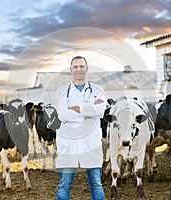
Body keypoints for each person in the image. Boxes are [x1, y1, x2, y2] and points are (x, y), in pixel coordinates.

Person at [55, 56, 107, 200]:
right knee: (64, 185)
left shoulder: (98, 90)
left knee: (96, 184)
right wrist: (88, 111)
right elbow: (62, 115)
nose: (79, 69)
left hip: (91, 143)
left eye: (81, 66)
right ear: (70, 69)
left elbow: (100, 111)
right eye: (75, 66)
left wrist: (76, 109)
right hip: (69, 144)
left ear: (87, 68)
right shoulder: (61, 92)